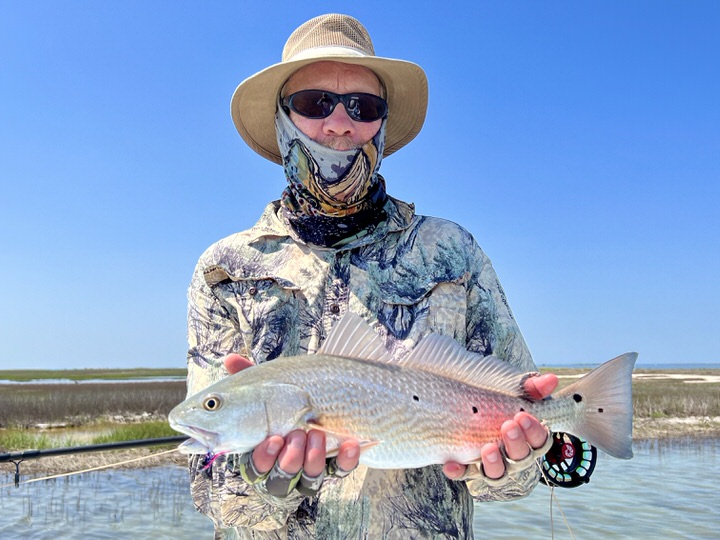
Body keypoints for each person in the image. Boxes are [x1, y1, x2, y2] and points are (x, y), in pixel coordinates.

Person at [185, 14, 559, 539]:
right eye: (315, 103)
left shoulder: (450, 251)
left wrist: (514, 462)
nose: (340, 125)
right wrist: (263, 480)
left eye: (363, 107)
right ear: (280, 120)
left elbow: (513, 480)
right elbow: (213, 488)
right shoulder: (226, 270)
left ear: (381, 125)